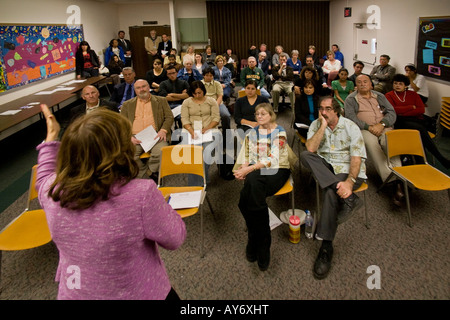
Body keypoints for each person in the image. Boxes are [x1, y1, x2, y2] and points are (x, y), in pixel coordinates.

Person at [37, 104, 186, 300]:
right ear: (120, 150)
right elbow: (175, 238)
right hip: (139, 292)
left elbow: (43, 175)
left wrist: (51, 138)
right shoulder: (141, 195)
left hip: (76, 291)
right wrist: (161, 206)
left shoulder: (52, 190)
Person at [301, 96, 366, 280]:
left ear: (336, 110)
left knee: (329, 192)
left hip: (348, 170)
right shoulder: (316, 124)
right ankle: (349, 199)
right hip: (326, 167)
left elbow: (357, 158)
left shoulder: (350, 127)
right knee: (305, 156)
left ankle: (326, 246)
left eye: (328, 109)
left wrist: (350, 182)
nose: (323, 112)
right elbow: (311, 149)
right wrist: (322, 126)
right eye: (321, 108)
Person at [234, 103, 290, 271]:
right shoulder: (252, 132)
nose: (259, 116)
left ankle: (255, 240)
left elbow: (272, 158)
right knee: (250, 189)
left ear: (271, 115)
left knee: (246, 197)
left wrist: (248, 169)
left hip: (278, 169)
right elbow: (247, 153)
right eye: (257, 114)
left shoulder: (280, 131)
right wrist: (243, 168)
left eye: (263, 114)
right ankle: (261, 239)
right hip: (256, 172)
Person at [344, 74, 403, 205]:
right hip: (364, 130)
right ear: (356, 86)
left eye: (365, 81)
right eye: (359, 82)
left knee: (390, 144)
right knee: (372, 145)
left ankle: (400, 177)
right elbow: (350, 117)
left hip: (384, 127)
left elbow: (391, 112)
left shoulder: (380, 96)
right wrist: (368, 127)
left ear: (371, 84)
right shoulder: (351, 99)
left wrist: (381, 124)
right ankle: (393, 182)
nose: (363, 84)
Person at [385, 74, 450, 169]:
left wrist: (402, 112)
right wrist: (411, 107)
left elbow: (421, 110)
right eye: (395, 83)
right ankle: (437, 158)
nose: (397, 85)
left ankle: (420, 160)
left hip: (415, 120)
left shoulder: (413, 94)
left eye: (400, 84)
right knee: (420, 130)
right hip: (400, 121)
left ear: (406, 85)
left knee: (419, 131)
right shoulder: (389, 95)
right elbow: (393, 110)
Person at [121, 79, 174, 181]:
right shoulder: (127, 104)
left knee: (160, 152)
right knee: (128, 155)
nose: (141, 89)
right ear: (135, 90)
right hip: (135, 137)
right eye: (138, 88)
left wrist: (163, 130)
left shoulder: (161, 100)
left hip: (156, 135)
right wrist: (129, 137)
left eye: (144, 86)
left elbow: (169, 117)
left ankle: (152, 171)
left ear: (148, 87)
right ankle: (148, 174)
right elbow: (121, 124)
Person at [180, 80, 221, 185]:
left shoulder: (211, 101)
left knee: (206, 153)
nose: (197, 95)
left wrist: (207, 128)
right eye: (194, 93)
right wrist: (191, 131)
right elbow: (184, 119)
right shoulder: (187, 102)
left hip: (210, 129)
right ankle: (197, 183)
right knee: (192, 155)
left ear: (204, 91)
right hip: (190, 130)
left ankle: (201, 181)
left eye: (199, 93)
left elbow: (216, 118)